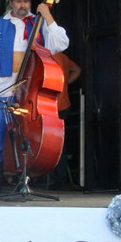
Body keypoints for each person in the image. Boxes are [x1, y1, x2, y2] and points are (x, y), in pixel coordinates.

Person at [0, 0, 69, 193]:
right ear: (11, 3)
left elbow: (61, 44)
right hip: (2, 89)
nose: (22, 5)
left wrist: (48, 16)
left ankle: (24, 176)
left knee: (27, 135)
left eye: (26, 1)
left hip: (30, 92)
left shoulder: (39, 23)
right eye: (18, 1)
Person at [47, 51, 81, 190]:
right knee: (59, 144)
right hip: (63, 106)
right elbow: (77, 70)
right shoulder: (63, 57)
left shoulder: (48, 56)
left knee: (51, 144)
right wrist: (65, 83)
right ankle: (58, 178)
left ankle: (53, 178)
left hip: (50, 106)